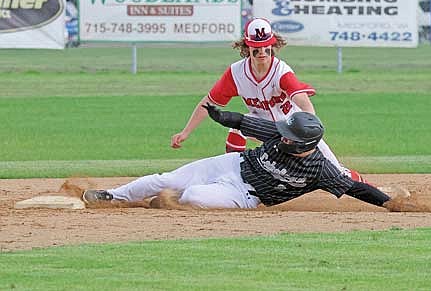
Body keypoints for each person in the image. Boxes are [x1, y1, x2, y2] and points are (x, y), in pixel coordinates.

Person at [83, 104, 396, 211]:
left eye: (290, 134)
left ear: (305, 142)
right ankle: (113, 196)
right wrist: (219, 116)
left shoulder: (320, 169)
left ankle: (164, 199)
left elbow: (355, 188)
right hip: (234, 164)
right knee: (166, 179)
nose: (282, 133)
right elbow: (244, 122)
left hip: (246, 194)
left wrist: (389, 203)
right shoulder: (277, 132)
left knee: (191, 196)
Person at [170, 17, 367, 182]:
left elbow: (302, 99)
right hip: (262, 127)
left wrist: (309, 127)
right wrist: (186, 131)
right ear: (247, 47)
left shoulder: (281, 72)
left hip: (293, 129)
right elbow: (209, 102)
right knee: (237, 128)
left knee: (337, 173)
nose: (262, 52)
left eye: (266, 46)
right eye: (257, 47)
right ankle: (232, 178)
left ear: (273, 45)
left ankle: (372, 189)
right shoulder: (236, 73)